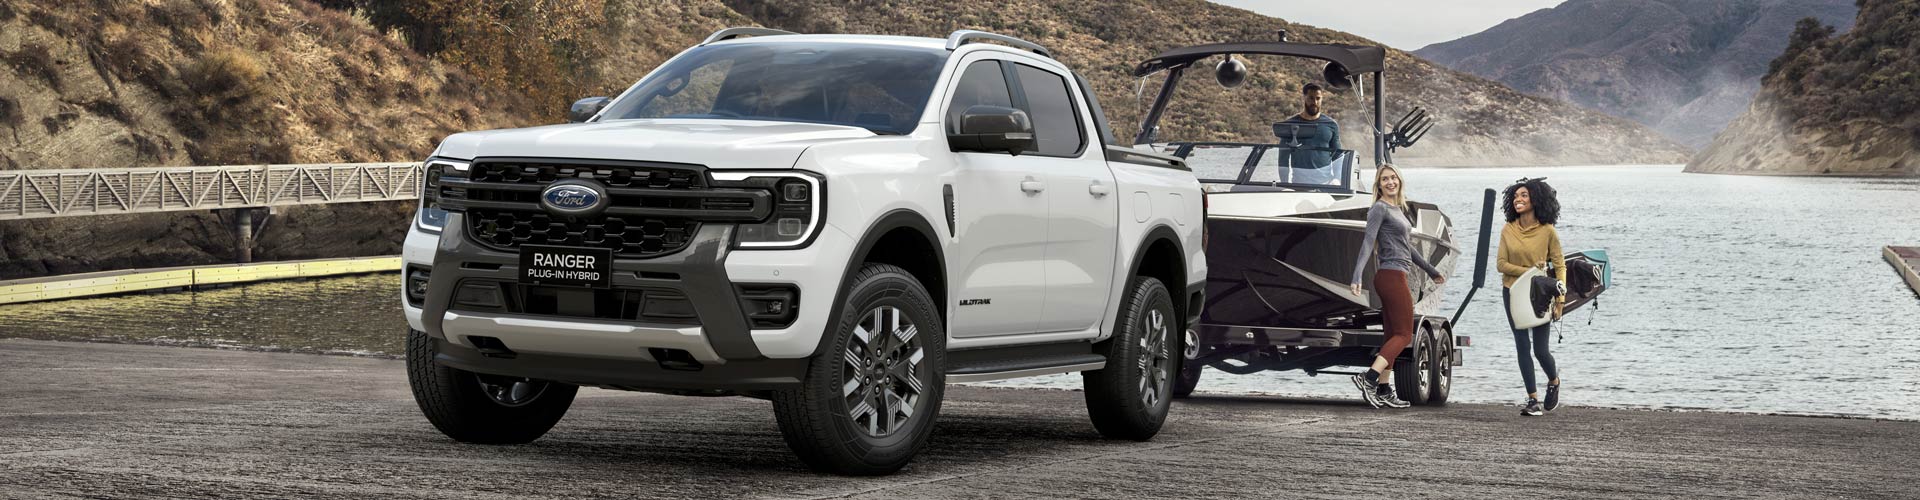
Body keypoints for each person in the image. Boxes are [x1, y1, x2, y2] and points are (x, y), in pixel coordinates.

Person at [1346, 164, 1445, 408]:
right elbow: (1368, 242)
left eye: (1393, 178)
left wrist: (1432, 271)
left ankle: (1383, 388)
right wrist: (1357, 275)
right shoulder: (1379, 208)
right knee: (1403, 335)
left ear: (1399, 181)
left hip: (1396, 274)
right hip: (1389, 276)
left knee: (1392, 335)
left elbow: (1407, 248)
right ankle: (1368, 377)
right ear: (1378, 185)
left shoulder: (1397, 209)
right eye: (1384, 179)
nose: (1390, 182)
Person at [1498, 177, 1566, 417]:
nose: (1518, 199)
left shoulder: (1548, 231)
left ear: (1536, 199)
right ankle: (1532, 399)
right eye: (1516, 196)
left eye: (1524, 195)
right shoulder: (1508, 229)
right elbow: (1501, 264)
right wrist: (1531, 272)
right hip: (1513, 291)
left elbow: (1560, 266)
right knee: (1522, 345)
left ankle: (1554, 381)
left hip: (1541, 293)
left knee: (1540, 349)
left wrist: (1560, 301)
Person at [1273, 83, 1341, 185]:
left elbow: (1338, 155)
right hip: (1299, 185)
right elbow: (1283, 159)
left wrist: (1337, 179)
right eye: (1311, 98)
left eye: (1318, 98)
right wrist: (1284, 184)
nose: (1315, 102)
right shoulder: (1290, 125)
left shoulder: (1331, 125)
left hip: (1326, 184)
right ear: (1304, 98)